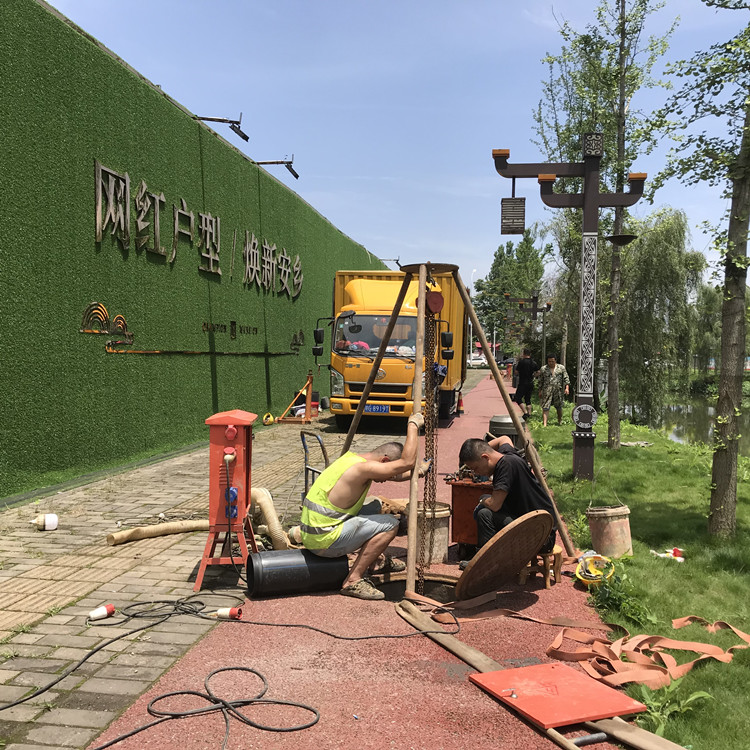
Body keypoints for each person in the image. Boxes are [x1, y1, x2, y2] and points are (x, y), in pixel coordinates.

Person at [300, 412, 426, 600]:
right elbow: (406, 463)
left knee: (374, 505)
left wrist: (420, 471)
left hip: (314, 533)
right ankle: (353, 580)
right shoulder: (363, 469)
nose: (387, 479)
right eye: (387, 471)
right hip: (323, 542)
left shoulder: (353, 460)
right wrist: (413, 425)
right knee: (391, 523)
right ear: (384, 461)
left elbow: (395, 473)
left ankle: (377, 559)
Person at [457, 436, 557, 568]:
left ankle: (483, 565)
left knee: (485, 513)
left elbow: (494, 505)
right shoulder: (506, 455)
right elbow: (503, 438)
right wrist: (481, 448)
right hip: (541, 527)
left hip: (540, 536)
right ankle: (490, 559)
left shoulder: (505, 467)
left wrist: (481, 498)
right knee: (489, 507)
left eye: (475, 468)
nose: (476, 473)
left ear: (485, 457)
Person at [538, 354, 570, 426]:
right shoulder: (543, 369)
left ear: (555, 360)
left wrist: (567, 388)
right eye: (549, 361)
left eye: (552, 361)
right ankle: (545, 424)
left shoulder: (561, 368)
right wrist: (540, 391)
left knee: (558, 406)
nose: (551, 363)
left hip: (558, 390)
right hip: (547, 390)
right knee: (545, 407)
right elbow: (540, 381)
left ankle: (559, 421)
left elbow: (566, 378)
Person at [513, 349, 539, 420]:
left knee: (518, 398)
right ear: (530, 354)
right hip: (530, 383)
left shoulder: (521, 362)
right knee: (528, 399)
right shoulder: (533, 363)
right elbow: (538, 372)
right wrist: (533, 376)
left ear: (524, 354)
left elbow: (516, 372)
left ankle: (525, 412)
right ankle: (529, 414)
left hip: (522, 383)